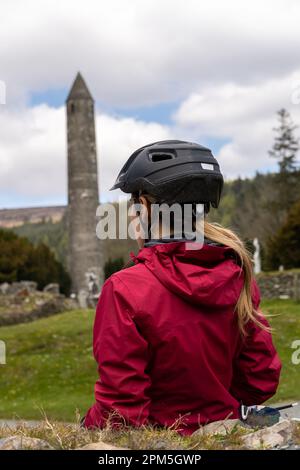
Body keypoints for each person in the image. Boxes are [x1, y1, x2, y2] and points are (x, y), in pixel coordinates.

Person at [83, 140, 281, 435]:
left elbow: (119, 413)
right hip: (225, 432)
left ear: (146, 207)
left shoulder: (124, 289)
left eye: (132, 204)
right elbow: (260, 378)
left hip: (163, 443)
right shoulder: (237, 274)